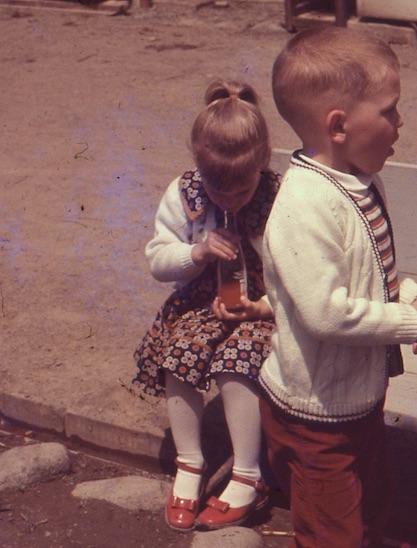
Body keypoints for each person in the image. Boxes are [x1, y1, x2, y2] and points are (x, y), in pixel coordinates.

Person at [258, 26, 417, 547]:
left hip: (356, 398)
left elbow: (362, 272)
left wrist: (407, 293)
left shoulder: (360, 182)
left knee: (369, 505)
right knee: (330, 530)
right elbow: (326, 312)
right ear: (339, 126)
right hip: (314, 413)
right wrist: (410, 323)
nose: (400, 121)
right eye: (389, 110)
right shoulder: (304, 204)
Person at [132, 79, 279, 532]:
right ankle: (190, 463)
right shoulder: (186, 193)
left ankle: (248, 474)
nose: (230, 200)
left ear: (262, 164)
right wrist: (195, 253)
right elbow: (158, 258)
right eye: (220, 191)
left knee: (237, 359)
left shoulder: (278, 196)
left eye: (241, 190)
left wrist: (261, 305)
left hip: (263, 306)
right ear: (199, 167)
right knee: (181, 354)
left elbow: (296, 269)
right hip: (200, 301)